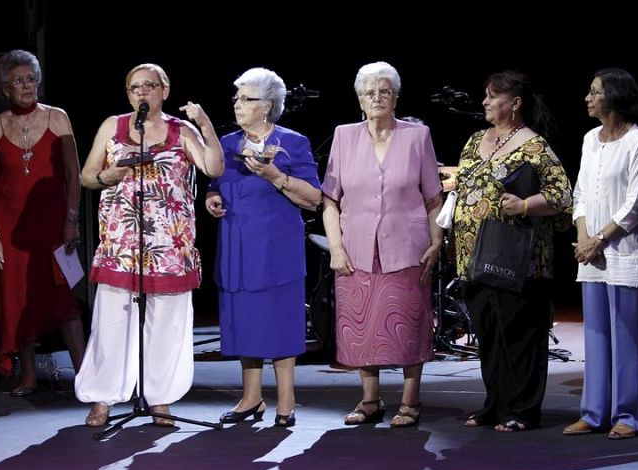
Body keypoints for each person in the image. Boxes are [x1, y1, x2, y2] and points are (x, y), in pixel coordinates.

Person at [75, 63, 223, 427]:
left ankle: (160, 399)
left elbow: (214, 168)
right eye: (134, 87)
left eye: (149, 86)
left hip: (169, 244)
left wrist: (205, 125)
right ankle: (103, 399)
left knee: (167, 324)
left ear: (164, 90)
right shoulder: (113, 126)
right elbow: (86, 176)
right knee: (112, 321)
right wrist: (105, 176)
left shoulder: (182, 129)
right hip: (122, 241)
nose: (141, 93)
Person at [321, 61, 442, 427]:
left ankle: (410, 400)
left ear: (396, 98)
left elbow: (433, 198)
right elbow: (330, 200)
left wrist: (436, 241)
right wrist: (336, 248)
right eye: (370, 92)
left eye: (385, 91)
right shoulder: (344, 136)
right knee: (360, 326)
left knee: (408, 322)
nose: (377, 97)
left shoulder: (417, 137)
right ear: (360, 99)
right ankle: (369, 401)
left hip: (407, 246)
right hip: (355, 248)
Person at [453, 70, 572, 432]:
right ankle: (494, 404)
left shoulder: (534, 146)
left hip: (518, 261)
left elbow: (562, 195)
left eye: (493, 96)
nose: (485, 102)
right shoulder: (476, 140)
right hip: (474, 258)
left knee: (520, 336)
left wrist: (523, 205)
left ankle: (522, 409)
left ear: (515, 103)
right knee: (488, 336)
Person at [205, 67, 321, 428]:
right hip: (238, 247)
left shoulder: (293, 142)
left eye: (246, 98)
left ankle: (286, 400)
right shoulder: (225, 144)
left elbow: (314, 199)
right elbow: (215, 182)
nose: (237, 104)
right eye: (236, 97)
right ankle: (251, 398)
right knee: (246, 323)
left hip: (277, 249)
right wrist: (212, 197)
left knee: (281, 324)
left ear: (267, 106)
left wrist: (274, 176)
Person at [0, 49, 85, 395]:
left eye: (30, 79)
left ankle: (86, 373)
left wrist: (71, 220)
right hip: (12, 231)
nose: (26, 86)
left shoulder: (58, 118)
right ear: (5, 88)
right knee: (17, 298)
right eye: (18, 81)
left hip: (54, 226)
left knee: (64, 298)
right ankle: (28, 375)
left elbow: (74, 174)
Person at [564, 69, 638, 439]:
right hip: (593, 253)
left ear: (614, 97)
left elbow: (636, 204)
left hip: (625, 252)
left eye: (595, 92)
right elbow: (581, 193)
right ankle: (593, 412)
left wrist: (598, 239)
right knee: (596, 335)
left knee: (627, 338)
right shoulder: (589, 139)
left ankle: (628, 415)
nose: (588, 97)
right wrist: (585, 237)